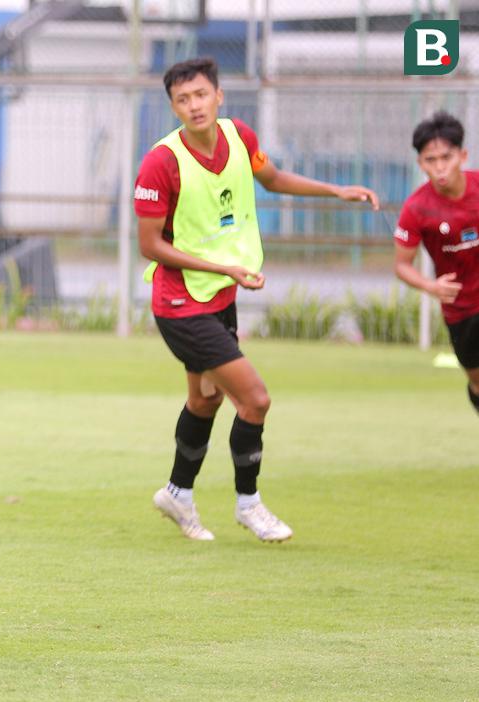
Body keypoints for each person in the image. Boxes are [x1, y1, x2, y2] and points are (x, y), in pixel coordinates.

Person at [133, 57, 379, 542]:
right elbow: (150, 246)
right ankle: (250, 504)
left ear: (219, 96)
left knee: (205, 400)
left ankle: (178, 494)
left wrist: (335, 191)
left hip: (220, 296)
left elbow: (272, 178)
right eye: (183, 100)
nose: (194, 105)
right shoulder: (161, 162)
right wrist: (223, 267)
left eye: (201, 94)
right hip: (181, 305)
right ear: (173, 107)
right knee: (256, 399)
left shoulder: (240, 138)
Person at [394, 110, 479, 415]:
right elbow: (402, 265)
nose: (441, 167)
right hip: (460, 308)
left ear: (463, 155)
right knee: (477, 381)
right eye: (432, 160)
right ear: (421, 164)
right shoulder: (417, 208)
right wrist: (431, 286)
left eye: (447, 157)